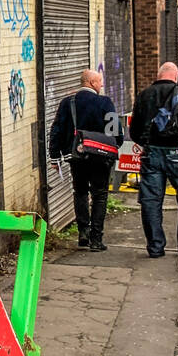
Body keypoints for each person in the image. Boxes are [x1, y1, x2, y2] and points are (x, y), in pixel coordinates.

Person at [129, 62, 178, 258]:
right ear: (175, 77)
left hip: (152, 153)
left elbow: (134, 131)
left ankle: (155, 247)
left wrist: (147, 142)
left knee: (151, 200)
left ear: (159, 75)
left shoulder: (145, 95)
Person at [48, 69, 122, 252]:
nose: (102, 85)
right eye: (99, 81)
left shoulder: (68, 103)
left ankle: (83, 232)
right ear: (91, 83)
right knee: (100, 195)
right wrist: (115, 144)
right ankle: (96, 240)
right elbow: (115, 131)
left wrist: (54, 156)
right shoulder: (105, 102)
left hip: (77, 156)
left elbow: (56, 129)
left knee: (80, 191)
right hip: (101, 157)